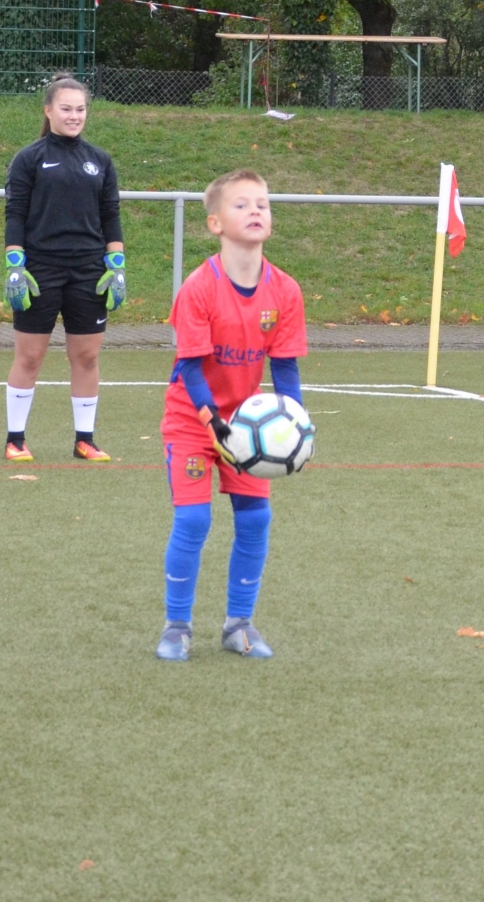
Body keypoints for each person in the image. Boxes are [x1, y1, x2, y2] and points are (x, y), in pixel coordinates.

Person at [156, 169, 307, 662]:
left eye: (262, 203)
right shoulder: (199, 287)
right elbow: (190, 368)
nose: (256, 210)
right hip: (192, 420)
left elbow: (284, 365)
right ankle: (177, 626)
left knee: (256, 519)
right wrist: (211, 423)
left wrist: (294, 424)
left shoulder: (285, 290)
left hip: (248, 425)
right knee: (194, 520)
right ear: (215, 223)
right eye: (242, 205)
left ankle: (238, 624)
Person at [1, 74, 127, 462]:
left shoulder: (100, 160)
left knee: (87, 357)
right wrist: (15, 266)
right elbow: (15, 214)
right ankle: (15, 439)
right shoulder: (29, 158)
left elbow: (111, 216)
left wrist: (117, 265)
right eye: (66, 108)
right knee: (30, 357)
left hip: (89, 271)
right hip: (39, 270)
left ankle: (84, 440)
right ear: (49, 110)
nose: (75, 116)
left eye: (81, 109)